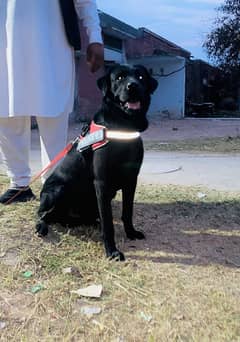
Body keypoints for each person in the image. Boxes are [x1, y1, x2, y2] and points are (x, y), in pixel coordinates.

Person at [0, 0, 104, 204]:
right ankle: (19, 183)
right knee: (6, 110)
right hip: (5, 45)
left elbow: (85, 2)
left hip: (52, 43)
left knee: (53, 108)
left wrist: (95, 37)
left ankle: (53, 185)